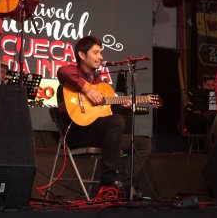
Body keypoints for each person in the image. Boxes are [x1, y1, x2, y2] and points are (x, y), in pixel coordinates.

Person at [56, 36, 152, 198]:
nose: (100, 57)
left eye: (100, 53)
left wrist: (121, 104)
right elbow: (62, 71)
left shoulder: (100, 81)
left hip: (101, 135)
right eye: (96, 52)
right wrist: (87, 90)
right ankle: (108, 180)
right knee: (117, 121)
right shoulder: (72, 72)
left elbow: (105, 110)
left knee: (143, 144)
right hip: (78, 133)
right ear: (82, 55)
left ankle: (121, 185)